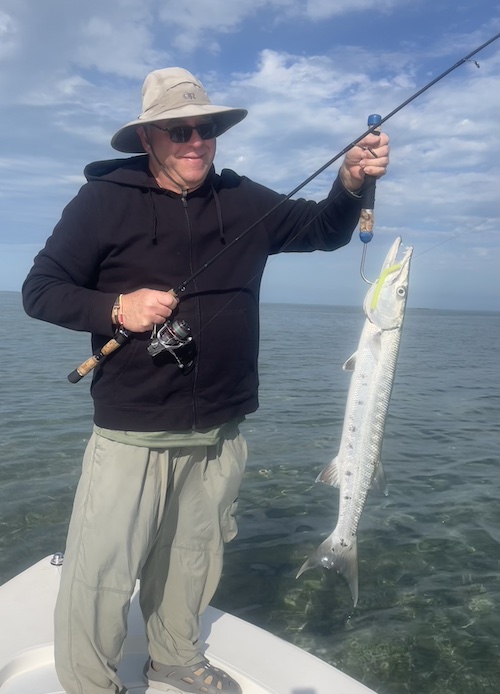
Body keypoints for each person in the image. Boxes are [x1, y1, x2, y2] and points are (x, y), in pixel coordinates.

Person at [22, 67, 389, 694]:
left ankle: (173, 658)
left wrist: (351, 181)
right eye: (179, 131)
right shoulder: (104, 201)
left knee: (193, 558)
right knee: (101, 574)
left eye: (206, 129)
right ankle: (89, 684)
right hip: (133, 430)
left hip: (221, 427)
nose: (195, 141)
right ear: (148, 139)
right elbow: (40, 290)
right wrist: (117, 308)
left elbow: (324, 230)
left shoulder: (241, 198)